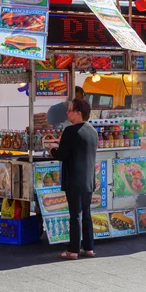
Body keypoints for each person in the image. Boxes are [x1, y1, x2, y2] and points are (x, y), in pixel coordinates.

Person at [50, 99, 97, 260]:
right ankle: (89, 247)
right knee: (86, 213)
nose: (67, 113)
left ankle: (73, 250)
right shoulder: (92, 131)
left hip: (74, 179)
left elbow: (61, 155)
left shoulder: (70, 131)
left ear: (78, 113)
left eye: (70, 110)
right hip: (88, 179)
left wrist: (52, 149)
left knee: (75, 214)